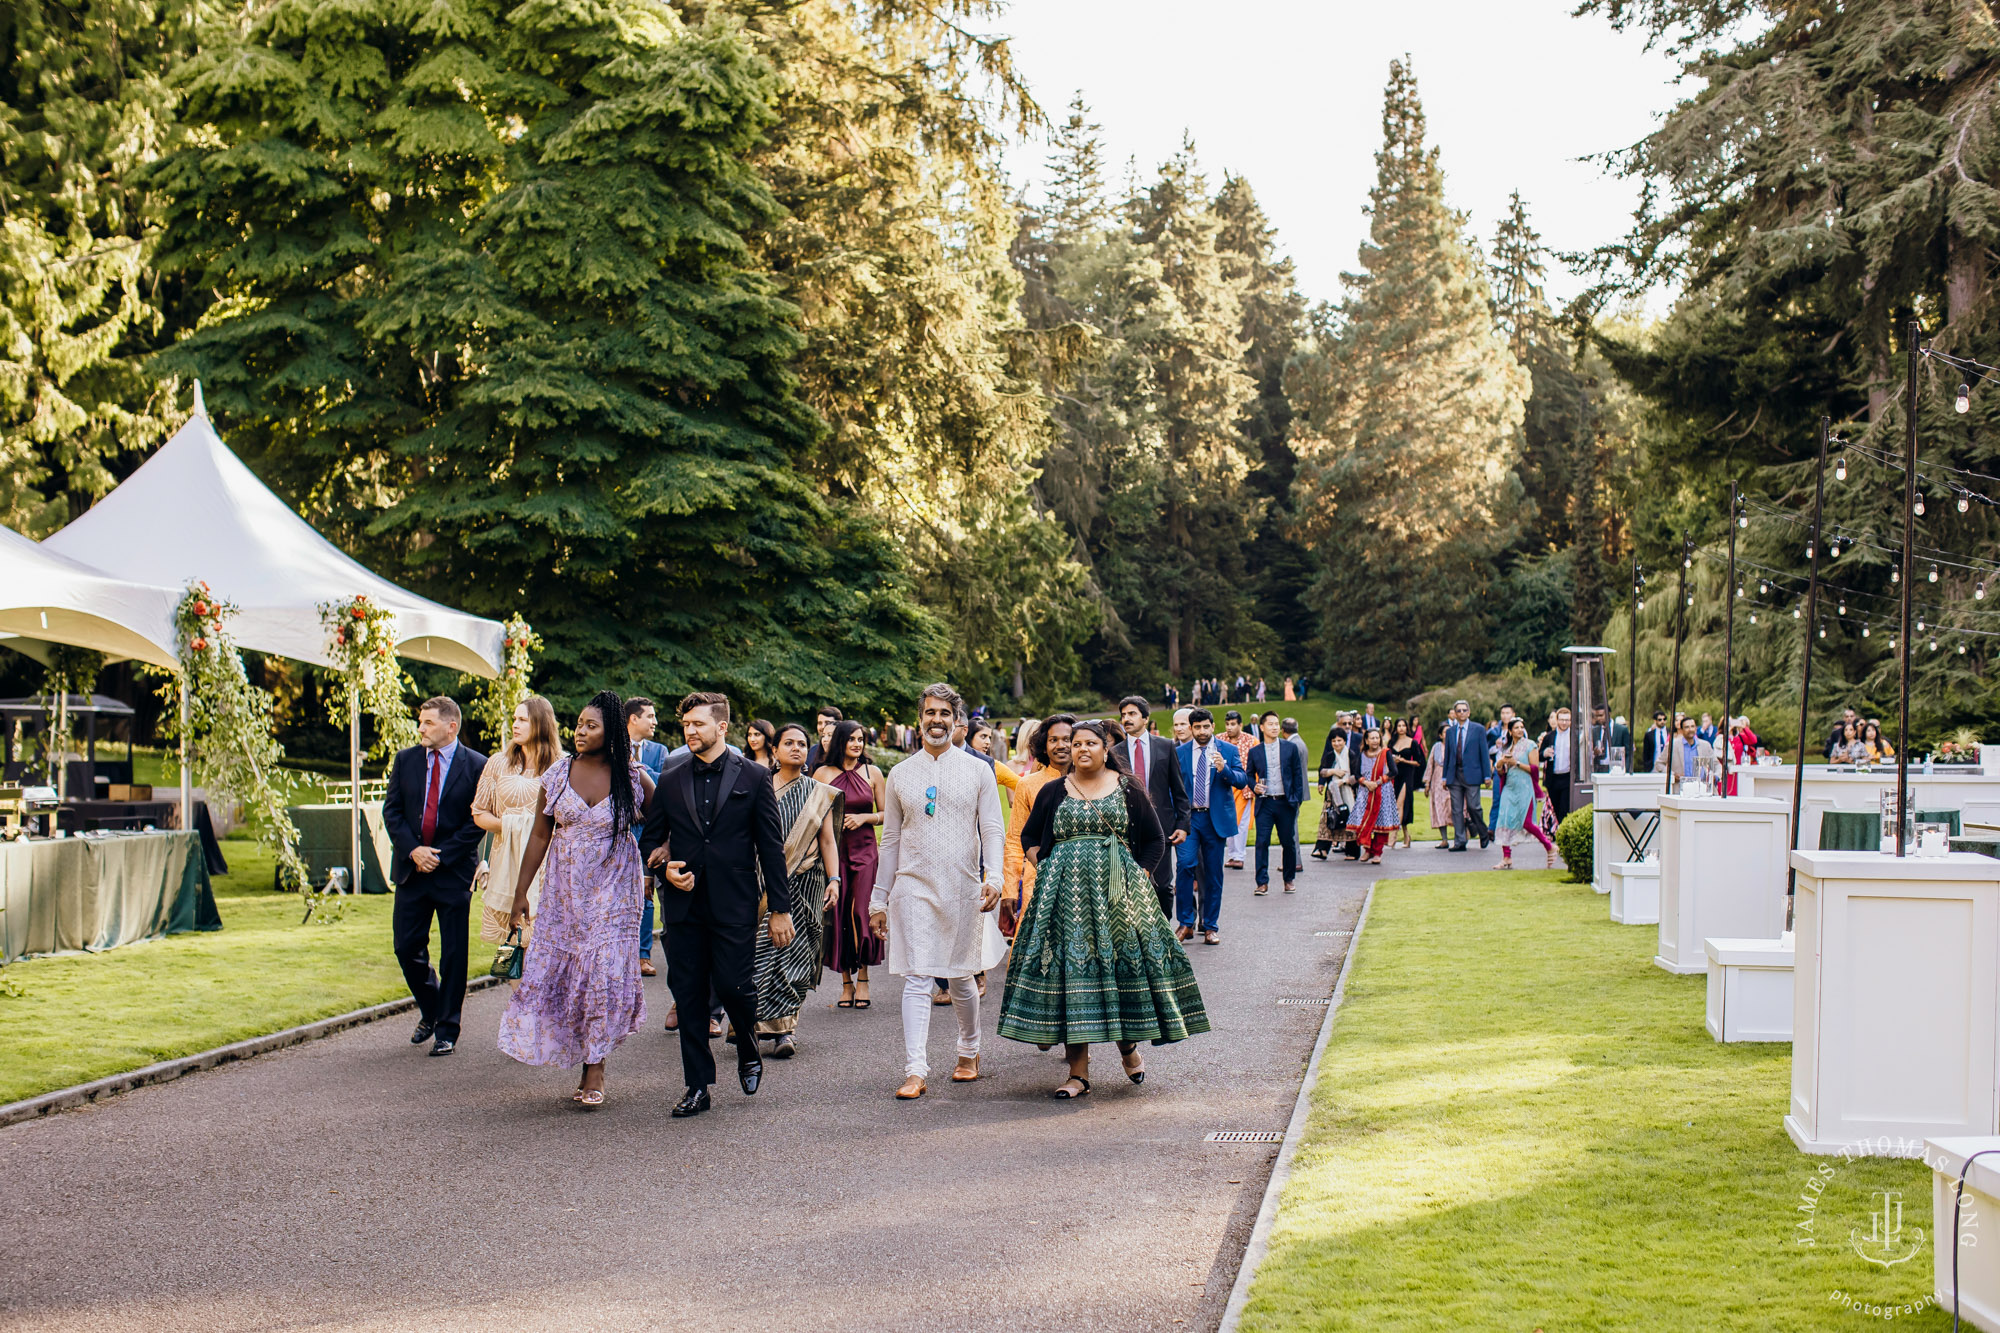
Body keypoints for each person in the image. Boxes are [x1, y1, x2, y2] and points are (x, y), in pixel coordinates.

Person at [1003, 719, 1210, 1097]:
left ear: (1104, 749)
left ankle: (1128, 1047)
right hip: (1063, 902)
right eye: (1076, 743)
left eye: (1090, 743)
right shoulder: (1053, 791)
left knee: (1119, 973)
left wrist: (1138, 874)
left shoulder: (1128, 788)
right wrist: (1045, 864)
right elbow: (1030, 836)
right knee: (1072, 979)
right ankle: (1078, 1074)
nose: (1081, 749)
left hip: (1119, 901)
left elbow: (1153, 839)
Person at [638, 692, 791, 1120]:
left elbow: (771, 847)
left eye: (698, 724)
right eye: (686, 724)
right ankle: (696, 1086)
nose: (690, 731)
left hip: (735, 904)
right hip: (684, 906)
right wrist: (664, 867)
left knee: (734, 987)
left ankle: (746, 1043)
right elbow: (651, 839)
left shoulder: (754, 777)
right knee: (687, 995)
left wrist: (780, 908)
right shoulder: (670, 778)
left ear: (721, 727)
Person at [498, 691, 653, 1106]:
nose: (580, 732)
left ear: (613, 732)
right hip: (565, 893)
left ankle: (595, 1066)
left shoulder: (634, 777)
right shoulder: (558, 774)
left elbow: (666, 821)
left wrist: (661, 859)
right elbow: (539, 835)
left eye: (591, 726)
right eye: (579, 724)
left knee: (601, 973)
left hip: (615, 890)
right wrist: (519, 894)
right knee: (570, 976)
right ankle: (576, 1049)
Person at [869, 683, 1006, 1100]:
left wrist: (995, 878)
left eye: (945, 714)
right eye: (930, 713)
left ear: (956, 720)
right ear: (920, 718)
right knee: (917, 976)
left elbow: (992, 830)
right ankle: (915, 1069)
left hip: (963, 885)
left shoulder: (977, 770)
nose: (936, 720)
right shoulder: (901, 774)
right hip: (912, 886)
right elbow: (890, 839)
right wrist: (879, 897)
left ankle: (969, 1050)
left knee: (961, 976)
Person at [382, 696, 488, 1057]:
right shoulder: (406, 760)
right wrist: (414, 850)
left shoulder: (477, 765)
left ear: (451, 726)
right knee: (405, 947)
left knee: (454, 954)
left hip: (453, 872)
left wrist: (440, 856)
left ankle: (447, 1029)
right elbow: (392, 811)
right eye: (421, 722)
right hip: (412, 870)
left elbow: (477, 821)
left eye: (428, 722)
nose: (421, 728)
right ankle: (431, 1008)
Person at [749, 723, 839, 1060]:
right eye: (789, 743)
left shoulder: (818, 792)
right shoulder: (758, 788)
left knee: (795, 955)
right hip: (761, 886)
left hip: (806, 884)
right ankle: (753, 1023)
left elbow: (827, 839)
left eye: (803, 744)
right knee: (759, 953)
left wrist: (834, 879)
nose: (797, 749)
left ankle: (785, 1030)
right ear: (774, 750)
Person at [473, 695, 561, 956]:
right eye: (514, 719)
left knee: (543, 947)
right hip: (506, 862)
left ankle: (539, 997)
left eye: (523, 719)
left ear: (541, 724)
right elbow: (479, 812)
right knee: (509, 945)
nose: (515, 725)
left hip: (549, 866)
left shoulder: (562, 765)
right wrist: (512, 825)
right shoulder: (498, 762)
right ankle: (514, 998)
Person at [816, 719, 885, 1011]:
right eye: (852, 739)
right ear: (840, 742)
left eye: (861, 739)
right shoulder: (822, 773)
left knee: (861, 911)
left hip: (866, 849)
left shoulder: (873, 772)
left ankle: (865, 976)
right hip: (834, 851)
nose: (857, 744)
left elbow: (887, 814)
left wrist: (865, 818)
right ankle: (846, 982)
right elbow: (813, 815)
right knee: (841, 912)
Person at [1176, 707, 1248, 945]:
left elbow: (1241, 780)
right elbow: (1173, 787)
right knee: (1185, 866)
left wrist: (1223, 769)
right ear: (1191, 728)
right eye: (1197, 727)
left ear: (1213, 726)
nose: (1202, 731)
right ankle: (1186, 923)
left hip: (1214, 819)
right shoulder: (1180, 752)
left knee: (1214, 874)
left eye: (1206, 726)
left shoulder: (1227, 750)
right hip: (1189, 819)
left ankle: (1210, 926)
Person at [1115, 696, 1190, 918]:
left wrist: (1183, 824)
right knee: (1131, 887)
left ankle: (1164, 930)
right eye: (1124, 715)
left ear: (1146, 718)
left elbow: (1178, 790)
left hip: (1162, 827)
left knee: (1164, 885)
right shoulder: (1115, 752)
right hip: (1127, 829)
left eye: (1132, 714)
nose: (1126, 719)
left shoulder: (1165, 746)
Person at [1004, 713, 1076, 936]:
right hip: (1038, 880)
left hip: (1085, 881)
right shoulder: (1028, 785)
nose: (1061, 745)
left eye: (1067, 739)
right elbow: (1016, 840)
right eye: (1053, 740)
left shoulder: (1095, 782)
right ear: (1044, 746)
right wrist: (1009, 889)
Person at [626, 697, 667, 978]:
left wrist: (636, 768)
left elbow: (663, 781)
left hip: (650, 829)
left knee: (646, 893)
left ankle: (643, 955)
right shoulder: (614, 746)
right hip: (623, 828)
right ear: (633, 719)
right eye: (650, 716)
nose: (654, 721)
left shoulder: (660, 750)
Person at [1246, 710, 1305, 894]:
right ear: (1262, 727)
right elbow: (1248, 774)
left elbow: (1298, 775)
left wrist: (1296, 801)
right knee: (1261, 842)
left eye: (1276, 724)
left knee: (1288, 842)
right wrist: (1254, 786)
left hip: (1286, 802)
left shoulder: (1290, 748)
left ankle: (1289, 879)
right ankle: (1262, 882)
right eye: (1270, 724)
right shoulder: (1255, 751)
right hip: (1265, 803)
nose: (1274, 727)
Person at [1491, 718, 1556, 870]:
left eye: (1522, 727)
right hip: (1509, 787)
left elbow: (1534, 769)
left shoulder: (1530, 745)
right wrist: (1500, 765)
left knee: (1526, 823)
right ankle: (1506, 857)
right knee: (1504, 820)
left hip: (1525, 787)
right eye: (1516, 728)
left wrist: (1517, 763)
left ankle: (1549, 846)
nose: (1520, 730)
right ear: (1510, 731)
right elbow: (1501, 772)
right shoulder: (1507, 748)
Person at [1439, 699, 1493, 852]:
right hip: (1454, 774)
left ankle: (1483, 832)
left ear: (1469, 712)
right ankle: (1460, 841)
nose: (1462, 713)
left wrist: (1487, 775)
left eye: (1464, 710)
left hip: (1472, 774)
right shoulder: (1450, 732)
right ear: (1455, 714)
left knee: (1473, 807)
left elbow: (1484, 752)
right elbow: (1448, 755)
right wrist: (1444, 777)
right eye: (1459, 710)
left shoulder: (1478, 729)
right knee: (1456, 809)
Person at [1346, 727, 1400, 864]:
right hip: (1366, 791)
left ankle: (1377, 852)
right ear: (1366, 740)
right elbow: (1357, 773)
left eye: (1377, 738)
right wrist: (1366, 783)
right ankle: (1367, 850)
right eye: (1372, 738)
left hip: (1382, 791)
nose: (1375, 741)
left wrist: (1378, 782)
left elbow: (1394, 771)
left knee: (1381, 821)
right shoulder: (1362, 754)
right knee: (1365, 820)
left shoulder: (1385, 753)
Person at [1311, 729, 1354, 859]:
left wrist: (1344, 781)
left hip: (1349, 792)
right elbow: (1322, 771)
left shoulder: (1351, 755)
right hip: (1332, 794)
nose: (1337, 743)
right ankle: (1322, 849)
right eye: (1334, 741)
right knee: (1329, 819)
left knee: (1349, 818)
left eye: (1339, 740)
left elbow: (1357, 775)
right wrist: (1333, 772)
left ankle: (1352, 850)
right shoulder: (1330, 755)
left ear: (1344, 741)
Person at [1219, 711, 1254, 869]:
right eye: (1227, 724)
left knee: (1241, 823)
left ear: (1240, 724)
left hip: (1243, 788)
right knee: (1227, 821)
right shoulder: (1219, 739)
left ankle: (1239, 856)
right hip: (1224, 787)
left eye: (1233, 724)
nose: (1229, 727)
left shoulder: (1251, 740)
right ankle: (1232, 855)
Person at [1536, 707, 1576, 824]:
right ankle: (1560, 830)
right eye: (1562, 720)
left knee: (1565, 808)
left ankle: (1563, 834)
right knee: (1556, 808)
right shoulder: (1549, 737)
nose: (1564, 723)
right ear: (1557, 720)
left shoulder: (1574, 736)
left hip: (1567, 777)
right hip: (1553, 778)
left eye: (1567, 720)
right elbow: (1539, 755)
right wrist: (1545, 753)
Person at [1389, 717, 1423, 850]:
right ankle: (1406, 835)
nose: (1401, 728)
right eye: (1399, 726)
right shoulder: (1392, 743)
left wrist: (1403, 761)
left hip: (1408, 775)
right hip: (1395, 775)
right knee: (1397, 805)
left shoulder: (1412, 743)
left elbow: (1419, 762)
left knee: (1400, 804)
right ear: (1396, 728)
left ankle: (1393, 835)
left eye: (1403, 725)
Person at [1655, 714, 1718, 783]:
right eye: (1687, 727)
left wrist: (1715, 777)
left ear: (1696, 728)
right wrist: (1672, 775)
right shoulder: (1672, 746)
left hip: (1701, 788)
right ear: (1681, 730)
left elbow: (1716, 764)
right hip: (1680, 788)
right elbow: (1659, 764)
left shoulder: (1705, 745)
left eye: (1692, 726)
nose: (1690, 729)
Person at [1423, 725, 1453, 849]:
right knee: (1439, 809)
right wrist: (1427, 783)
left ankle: (1462, 837)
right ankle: (1444, 839)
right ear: (1440, 735)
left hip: (1452, 781)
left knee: (1453, 808)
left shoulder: (1456, 746)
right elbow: (1430, 764)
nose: (1447, 735)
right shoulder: (1436, 747)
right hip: (1437, 781)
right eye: (1445, 732)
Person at [806, 705, 843, 772]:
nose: (823, 727)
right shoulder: (812, 751)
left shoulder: (846, 753)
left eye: (827, 723)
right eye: (820, 723)